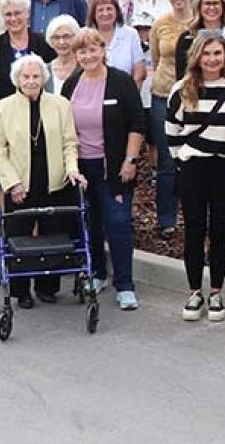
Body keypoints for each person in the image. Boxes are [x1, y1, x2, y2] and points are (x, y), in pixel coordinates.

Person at [55, 28, 146, 311]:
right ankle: (96, 274)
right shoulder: (72, 84)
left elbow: (137, 123)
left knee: (118, 222)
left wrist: (130, 160)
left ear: (102, 50)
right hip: (82, 167)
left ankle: (125, 285)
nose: (88, 55)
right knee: (90, 222)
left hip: (115, 167)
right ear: (76, 55)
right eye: (82, 51)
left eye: (93, 49)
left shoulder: (120, 82)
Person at [0, 57, 85, 309]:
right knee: (19, 237)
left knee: (54, 236)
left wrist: (73, 170)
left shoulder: (60, 105)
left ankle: (47, 287)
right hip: (20, 184)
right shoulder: (2, 107)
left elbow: (69, 144)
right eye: (26, 77)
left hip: (55, 181)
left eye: (36, 76)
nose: (31, 81)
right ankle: (21, 291)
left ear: (44, 78)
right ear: (17, 80)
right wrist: (12, 184)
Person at [168, 30, 225, 323]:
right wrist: (184, 159)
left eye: (218, 53)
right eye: (207, 53)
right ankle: (194, 291)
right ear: (197, 56)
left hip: (224, 168)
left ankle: (216, 290)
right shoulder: (181, 89)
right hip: (193, 168)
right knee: (193, 230)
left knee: (220, 232)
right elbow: (171, 133)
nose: (212, 59)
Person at [146, 0, 197, 236]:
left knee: (192, 159)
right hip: (163, 96)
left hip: (195, 99)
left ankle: (193, 213)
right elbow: (156, 58)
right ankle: (167, 218)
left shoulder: (200, 23)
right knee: (166, 160)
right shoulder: (161, 24)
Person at [0, 0, 56, 105]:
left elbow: (50, 80)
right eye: (8, 14)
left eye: (17, 13)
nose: (13, 19)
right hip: (5, 114)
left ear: (27, 14)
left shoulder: (43, 42)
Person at [86, 0, 148, 90]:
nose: (105, 13)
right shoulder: (85, 35)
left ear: (117, 11)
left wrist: (131, 94)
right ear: (93, 14)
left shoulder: (130, 34)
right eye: (100, 10)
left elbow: (139, 71)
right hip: (92, 93)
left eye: (109, 9)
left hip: (125, 94)